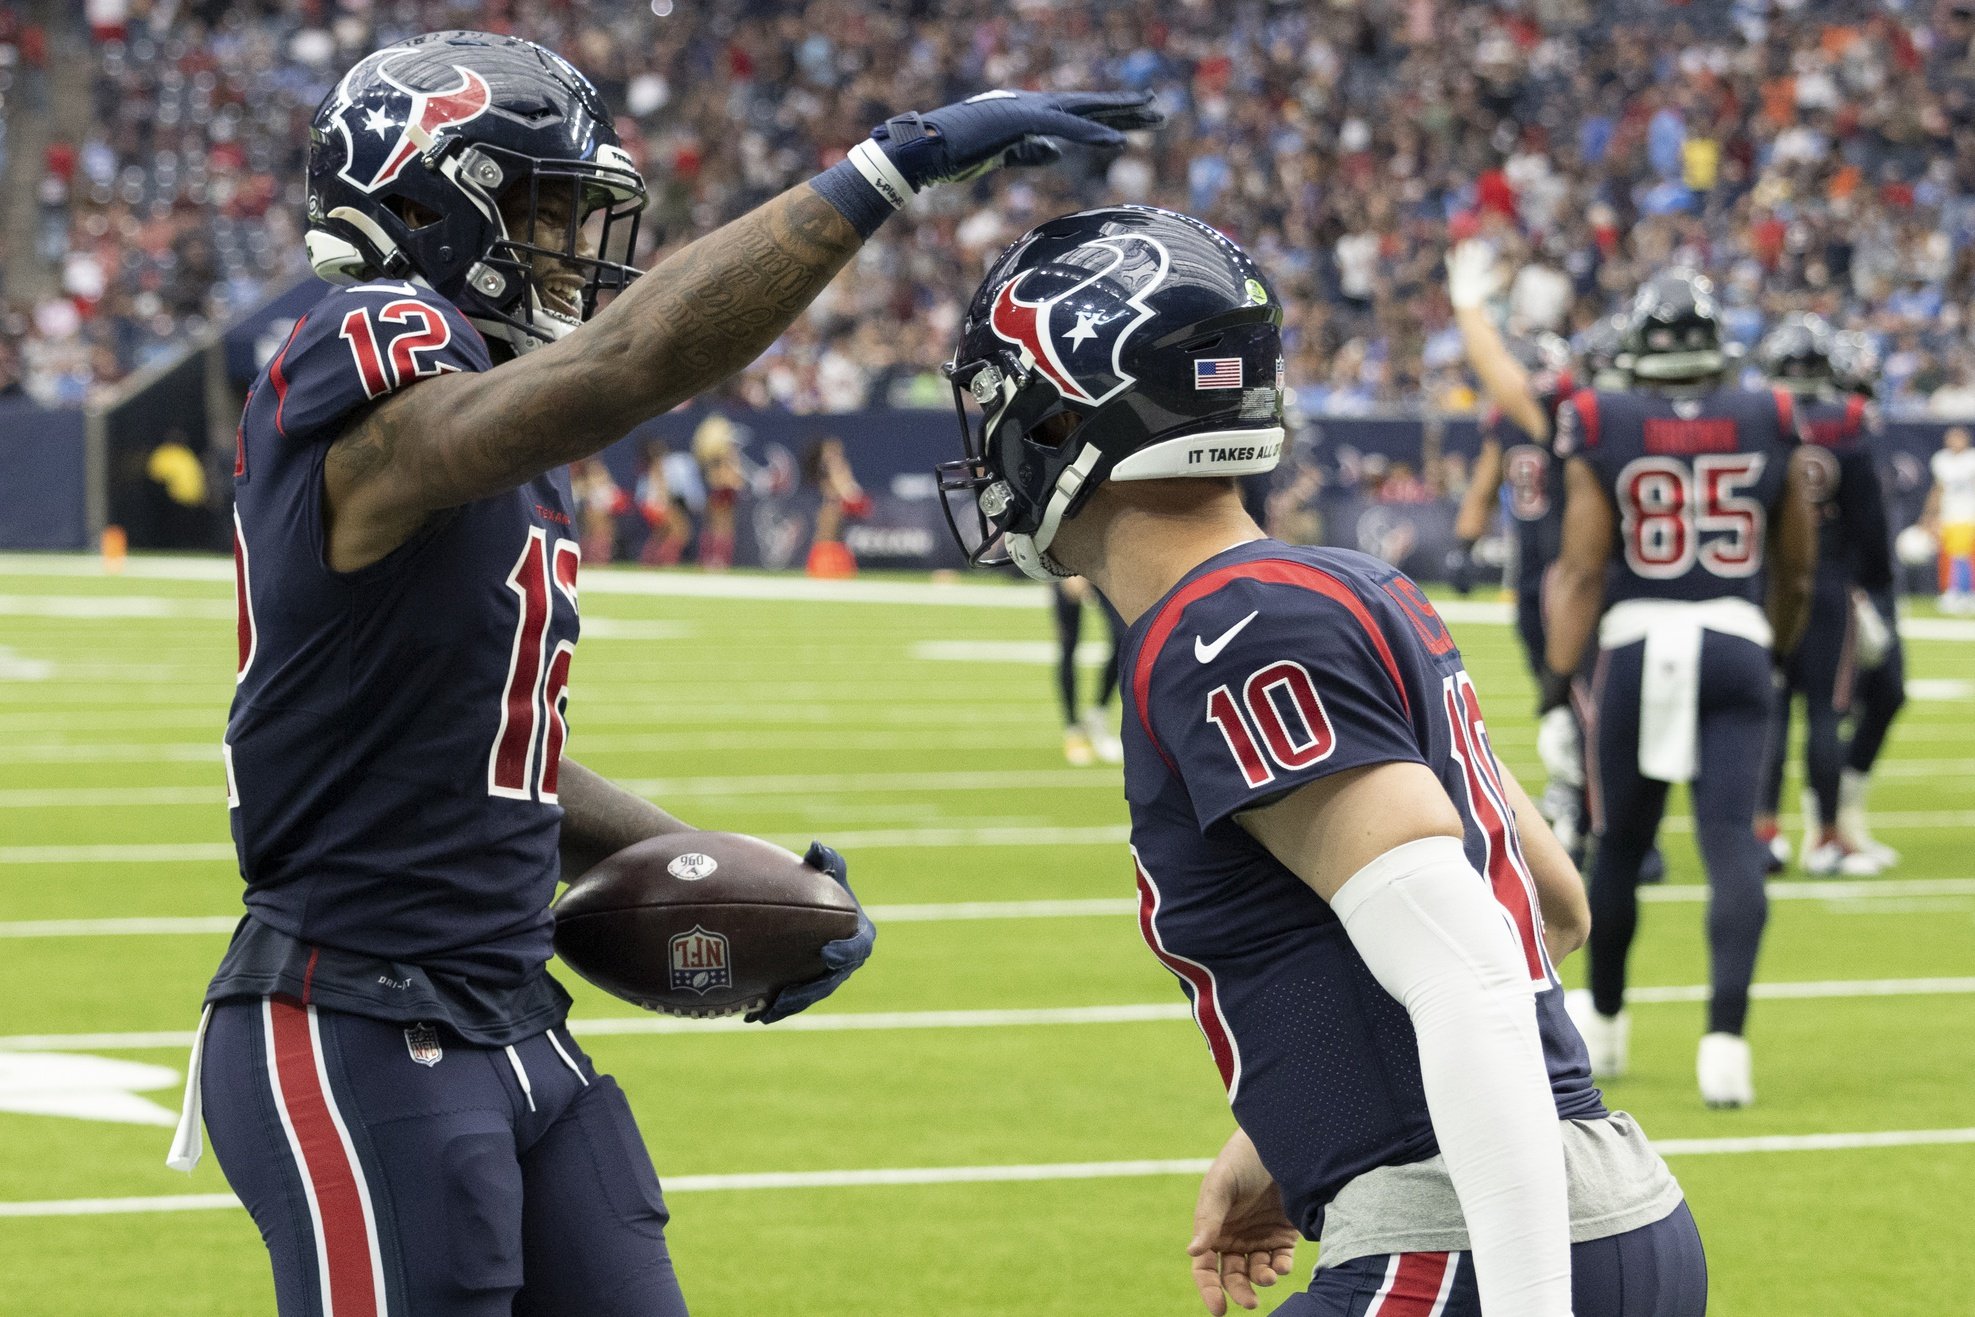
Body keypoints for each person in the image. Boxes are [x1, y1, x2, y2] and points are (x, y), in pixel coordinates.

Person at [166, 29, 1156, 1315]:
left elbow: (487, 752)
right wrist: (882, 171)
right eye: (541, 209)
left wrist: (713, 863)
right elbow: (628, 363)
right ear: (416, 201)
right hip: (351, 1016)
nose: (576, 251)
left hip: (510, 1008)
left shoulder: (486, 435)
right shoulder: (363, 357)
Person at [939, 204, 1701, 1317]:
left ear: (1062, 420)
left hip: (1470, 1246)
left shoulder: (1231, 629)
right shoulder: (1347, 587)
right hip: (1596, 1217)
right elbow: (1549, 902)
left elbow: (1474, 970)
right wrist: (1286, 1124)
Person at [1543, 270, 1816, 1107]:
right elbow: (1796, 567)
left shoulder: (1601, 416)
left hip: (1636, 642)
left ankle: (1608, 1023)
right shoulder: (1767, 413)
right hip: (1735, 634)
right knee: (1730, 836)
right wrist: (1767, 643)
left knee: (1618, 841)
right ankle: (1724, 1047)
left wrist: (1559, 686)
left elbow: (1584, 566)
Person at [1751, 316, 1894, 876]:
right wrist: (1875, 583)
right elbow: (1870, 520)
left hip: (1768, 585)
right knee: (1824, 715)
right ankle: (1827, 838)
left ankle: (1765, 833)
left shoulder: (1762, 417)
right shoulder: (1850, 421)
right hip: (1830, 583)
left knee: (1773, 714)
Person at [1830, 332, 1905, 864]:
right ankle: (1826, 827)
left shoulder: (1864, 428)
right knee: (1822, 705)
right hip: (1838, 584)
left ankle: (1845, 813)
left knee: (1885, 692)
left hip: (1866, 581)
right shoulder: (1831, 430)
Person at [1051, 576, 1126, 764]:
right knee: (1068, 647)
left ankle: (1098, 714)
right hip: (1063, 565)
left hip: (1101, 567)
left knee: (1123, 637)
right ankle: (1073, 729)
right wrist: (1068, 573)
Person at [1920, 424, 1975, 613]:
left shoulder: (1971, 459)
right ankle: (1956, 591)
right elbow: (1938, 489)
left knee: (1963, 554)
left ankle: (1963, 593)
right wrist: (1929, 515)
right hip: (1949, 513)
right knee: (1950, 554)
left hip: (1969, 513)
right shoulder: (1942, 460)